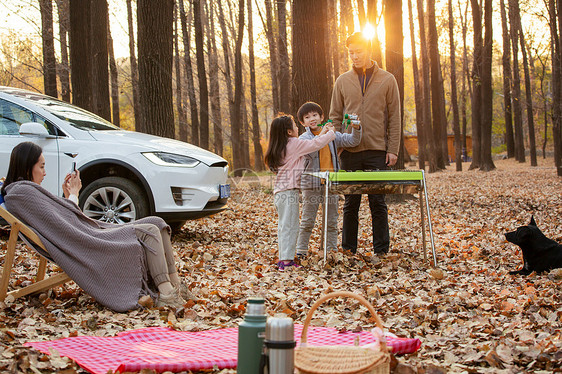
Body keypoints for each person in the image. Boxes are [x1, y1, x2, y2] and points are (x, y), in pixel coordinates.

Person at [1, 142, 193, 311]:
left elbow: (61, 220)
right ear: (27, 167)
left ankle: (174, 285)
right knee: (148, 230)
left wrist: (69, 197)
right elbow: (63, 226)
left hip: (81, 232)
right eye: (41, 166)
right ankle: (166, 292)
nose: (44, 172)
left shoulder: (25, 190)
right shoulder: (21, 193)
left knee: (157, 223)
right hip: (85, 239)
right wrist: (74, 193)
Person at [330, 32, 401, 255]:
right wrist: (336, 144)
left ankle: (381, 250)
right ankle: (348, 250)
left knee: (377, 202)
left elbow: (395, 117)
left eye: (358, 51)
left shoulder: (387, 79)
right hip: (350, 151)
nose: (354, 56)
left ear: (368, 50)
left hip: (377, 150)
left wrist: (393, 149)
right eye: (350, 52)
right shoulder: (342, 81)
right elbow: (334, 117)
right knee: (351, 203)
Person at [264, 114, 335, 270]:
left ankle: (284, 259)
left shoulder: (283, 145)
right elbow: (315, 145)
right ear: (289, 131)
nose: (298, 128)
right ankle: (287, 262)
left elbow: (310, 143)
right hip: (289, 192)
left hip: (280, 192)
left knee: (284, 226)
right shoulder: (294, 143)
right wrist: (330, 134)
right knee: (291, 227)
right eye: (295, 126)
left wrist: (322, 132)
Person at [295, 101, 362, 257]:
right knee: (307, 220)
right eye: (307, 117)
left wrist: (356, 128)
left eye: (315, 115)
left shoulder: (333, 135)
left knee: (331, 221)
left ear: (322, 116)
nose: (312, 119)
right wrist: (325, 134)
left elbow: (352, 141)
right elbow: (312, 149)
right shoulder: (304, 137)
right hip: (311, 185)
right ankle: (301, 252)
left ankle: (330, 251)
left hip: (331, 184)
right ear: (302, 122)